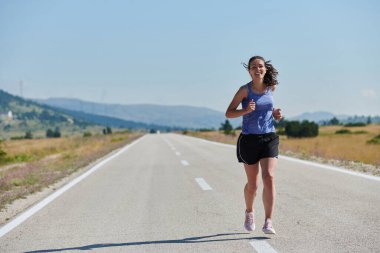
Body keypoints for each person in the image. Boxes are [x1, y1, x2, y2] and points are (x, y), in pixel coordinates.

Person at [225, 55, 282, 234]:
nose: (258, 69)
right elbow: (229, 113)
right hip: (249, 140)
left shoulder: (271, 87)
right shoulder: (244, 90)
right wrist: (245, 110)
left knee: (269, 177)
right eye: (254, 67)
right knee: (253, 185)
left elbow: (267, 110)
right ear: (249, 71)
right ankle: (249, 212)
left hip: (269, 138)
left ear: (265, 69)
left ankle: (268, 221)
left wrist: (276, 114)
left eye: (260, 66)